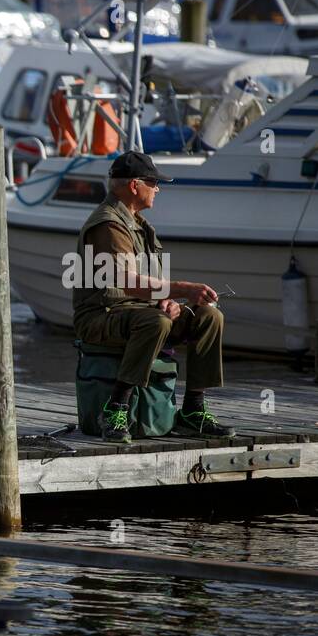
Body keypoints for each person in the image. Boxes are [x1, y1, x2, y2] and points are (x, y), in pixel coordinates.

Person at [74, 151, 233, 443]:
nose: (158, 189)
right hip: (100, 316)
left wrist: (167, 301)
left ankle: (193, 410)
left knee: (209, 316)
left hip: (137, 313)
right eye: (154, 183)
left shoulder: (141, 227)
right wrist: (183, 289)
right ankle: (116, 408)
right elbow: (126, 282)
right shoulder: (108, 225)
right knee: (155, 323)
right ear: (135, 185)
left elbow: (149, 286)